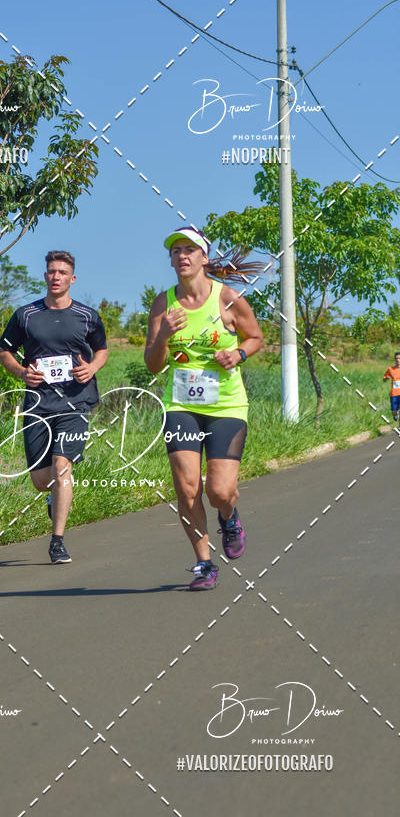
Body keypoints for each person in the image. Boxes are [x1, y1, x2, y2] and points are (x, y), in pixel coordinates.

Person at [144, 226, 264, 590]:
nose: (181, 256)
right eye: (175, 250)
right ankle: (204, 564)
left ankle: (228, 517)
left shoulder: (228, 298)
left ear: (203, 258)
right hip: (180, 404)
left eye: (189, 250)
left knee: (220, 491)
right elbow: (152, 364)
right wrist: (163, 335)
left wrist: (239, 353)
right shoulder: (163, 303)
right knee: (187, 487)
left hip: (226, 405)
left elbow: (256, 337)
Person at [0, 250, 108, 563]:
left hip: (76, 401)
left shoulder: (87, 316)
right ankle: (53, 499)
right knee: (40, 481)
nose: (56, 276)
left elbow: (102, 350)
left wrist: (92, 368)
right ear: (45, 276)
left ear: (72, 279)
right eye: (51, 271)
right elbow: (4, 352)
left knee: (62, 468)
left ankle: (57, 540)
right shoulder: (25, 315)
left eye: (62, 272)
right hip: (38, 404)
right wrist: (21, 371)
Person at [383, 351, 400, 422]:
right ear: (394, 359)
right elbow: (384, 379)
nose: (398, 360)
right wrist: (386, 378)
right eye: (396, 358)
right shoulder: (390, 369)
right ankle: (395, 415)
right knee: (394, 411)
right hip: (394, 394)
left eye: (399, 358)